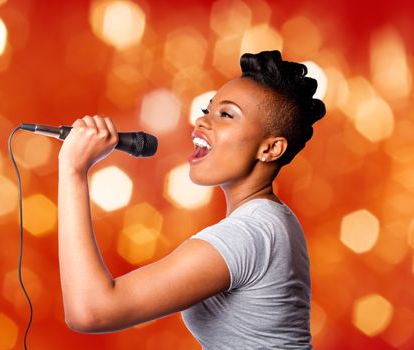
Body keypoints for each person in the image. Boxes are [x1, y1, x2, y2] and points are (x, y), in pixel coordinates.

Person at [57, 50, 326, 349]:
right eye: (207, 110)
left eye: (226, 115)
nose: (202, 122)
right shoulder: (273, 220)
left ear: (271, 148)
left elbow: (92, 311)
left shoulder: (249, 235)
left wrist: (72, 170)